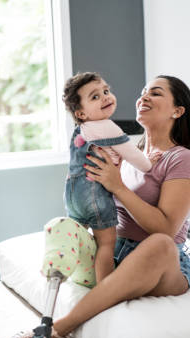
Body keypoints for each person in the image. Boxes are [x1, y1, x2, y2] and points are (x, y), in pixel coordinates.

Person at [0, 75, 190, 338]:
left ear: (177, 111)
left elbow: (167, 228)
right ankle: (60, 304)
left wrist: (117, 186)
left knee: (159, 243)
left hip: (161, 262)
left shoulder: (182, 159)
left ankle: (48, 336)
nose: (143, 97)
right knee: (60, 226)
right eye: (143, 91)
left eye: (156, 94)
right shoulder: (126, 150)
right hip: (115, 252)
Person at [61, 72, 159, 285]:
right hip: (94, 194)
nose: (106, 97)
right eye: (95, 97)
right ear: (81, 113)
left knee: (78, 238)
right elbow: (139, 160)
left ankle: (67, 274)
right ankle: (105, 288)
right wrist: (150, 161)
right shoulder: (108, 127)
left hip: (72, 194)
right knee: (106, 243)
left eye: (106, 91)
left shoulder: (81, 130)